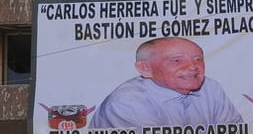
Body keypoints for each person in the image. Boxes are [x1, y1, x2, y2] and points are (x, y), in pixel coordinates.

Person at [91, 37, 244, 128]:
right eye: (177, 61)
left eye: (198, 59)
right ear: (145, 68)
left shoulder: (211, 88)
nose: (192, 67)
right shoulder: (126, 101)